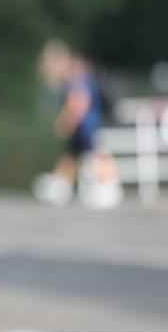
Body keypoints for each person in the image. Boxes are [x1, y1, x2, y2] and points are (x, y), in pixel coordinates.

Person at [34, 39, 123, 209]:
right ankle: (61, 184)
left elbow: (78, 101)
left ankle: (109, 187)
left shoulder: (74, 75)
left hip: (87, 124)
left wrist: (65, 120)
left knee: (96, 154)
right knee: (72, 154)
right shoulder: (77, 72)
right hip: (86, 123)